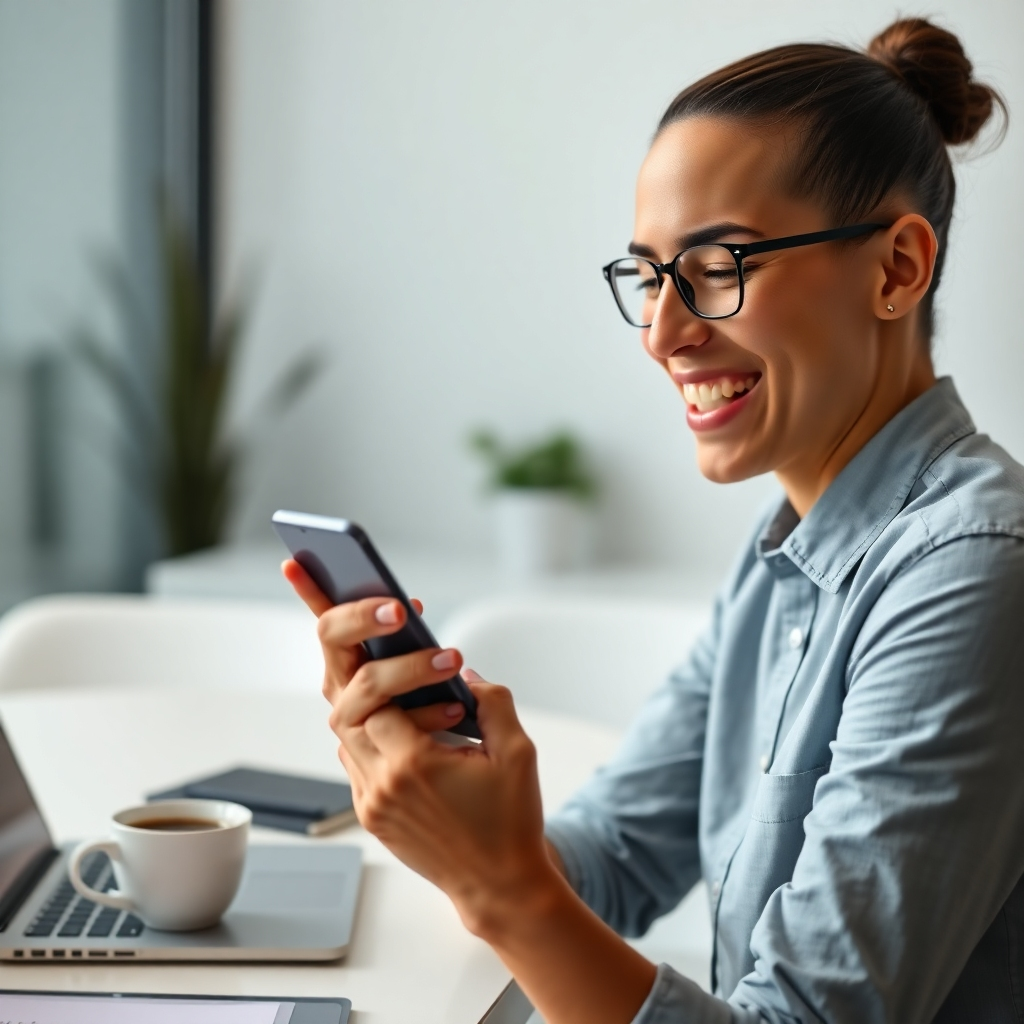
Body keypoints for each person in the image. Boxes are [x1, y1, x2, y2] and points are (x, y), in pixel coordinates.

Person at [284, 17, 1024, 1023]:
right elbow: (607, 864)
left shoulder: (972, 570)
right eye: (647, 276)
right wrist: (458, 811)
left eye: (718, 266)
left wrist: (506, 888)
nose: (665, 333)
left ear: (895, 268)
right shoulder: (783, 556)